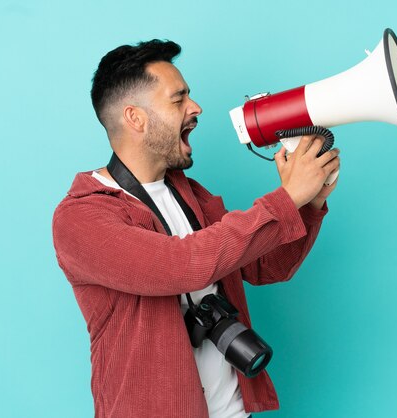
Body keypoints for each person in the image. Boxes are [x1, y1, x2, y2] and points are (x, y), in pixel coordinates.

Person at [52, 39, 340, 418]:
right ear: (135, 118)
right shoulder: (81, 217)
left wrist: (310, 202)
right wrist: (286, 198)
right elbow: (182, 265)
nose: (196, 108)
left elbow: (267, 266)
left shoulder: (190, 193)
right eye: (178, 99)